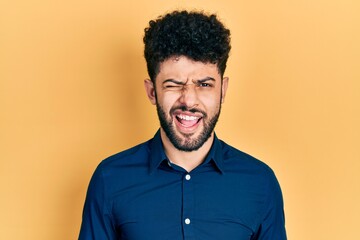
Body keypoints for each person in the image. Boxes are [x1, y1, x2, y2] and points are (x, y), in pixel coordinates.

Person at [79, 10, 287, 240]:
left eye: (204, 84)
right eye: (173, 84)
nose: (188, 100)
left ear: (223, 90)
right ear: (152, 92)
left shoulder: (260, 182)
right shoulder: (110, 179)